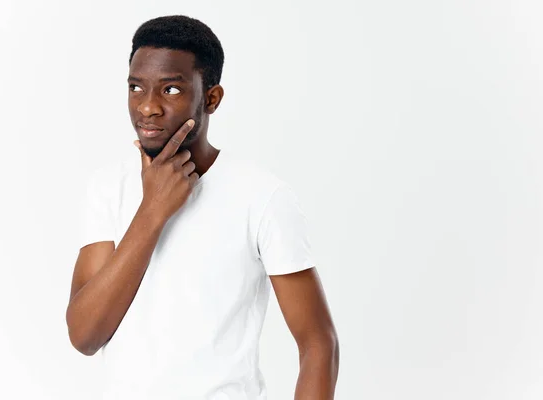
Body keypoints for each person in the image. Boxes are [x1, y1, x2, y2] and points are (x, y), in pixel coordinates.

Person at [66, 15, 339, 400]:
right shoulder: (107, 189)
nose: (148, 108)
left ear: (211, 98)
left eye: (171, 90)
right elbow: (85, 336)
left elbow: (318, 343)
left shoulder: (262, 197)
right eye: (135, 88)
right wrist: (152, 211)